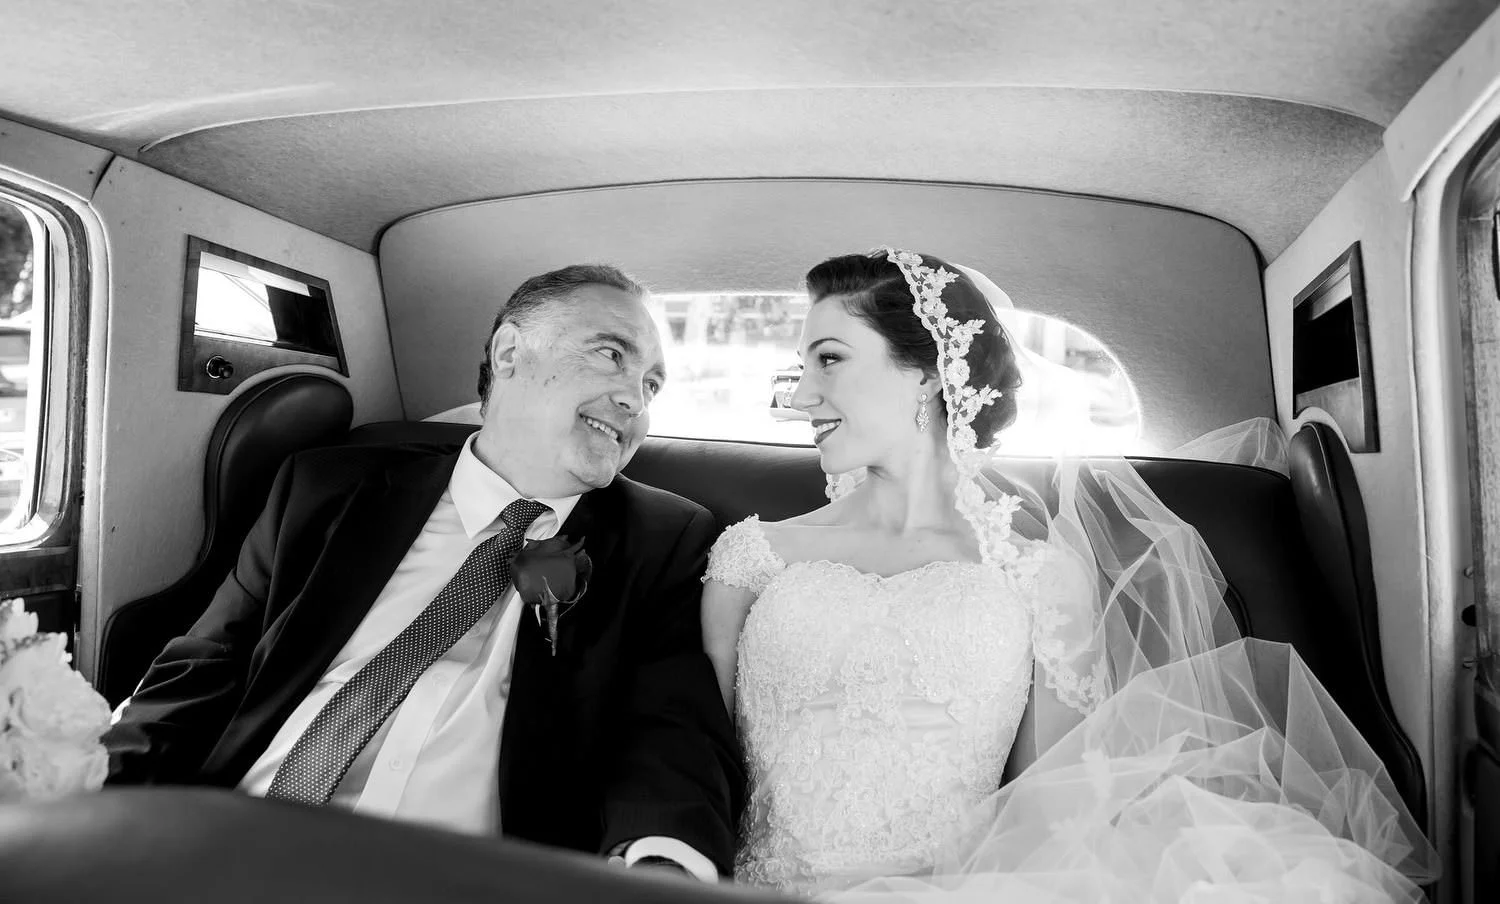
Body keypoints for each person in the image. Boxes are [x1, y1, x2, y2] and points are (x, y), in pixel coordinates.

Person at [701, 249, 1438, 900]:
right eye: (801, 368)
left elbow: (1049, 807)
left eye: (828, 359)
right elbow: (690, 761)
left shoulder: (1038, 577)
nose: (799, 396)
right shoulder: (749, 558)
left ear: (925, 374)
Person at [104, 264, 744, 880]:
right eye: (611, 354)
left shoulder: (666, 539)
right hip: (233, 843)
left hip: (458, 879)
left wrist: (661, 865)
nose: (635, 397)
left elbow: (671, 725)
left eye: (653, 385)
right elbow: (206, 665)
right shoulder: (325, 488)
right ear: (509, 352)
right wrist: (96, 790)